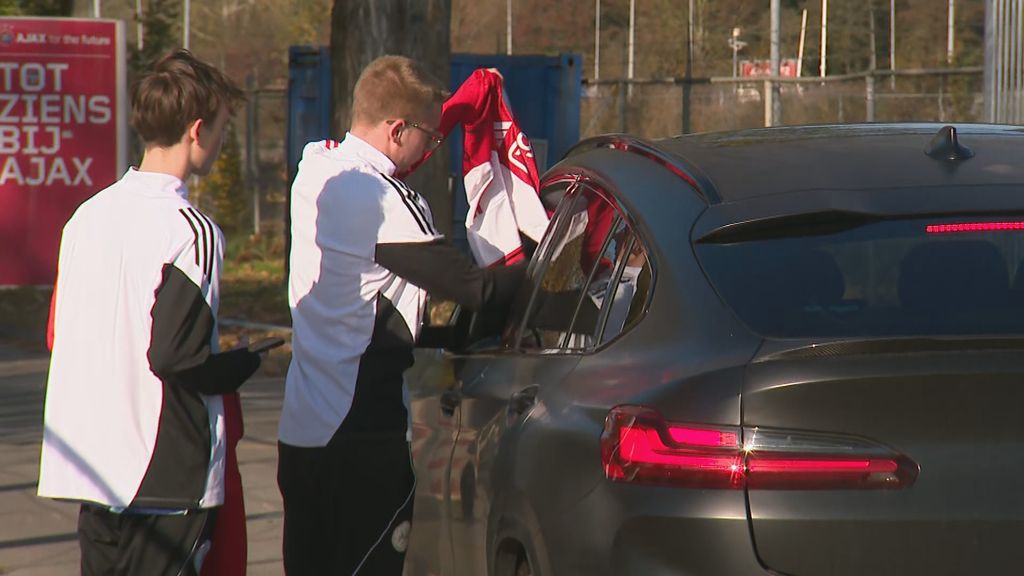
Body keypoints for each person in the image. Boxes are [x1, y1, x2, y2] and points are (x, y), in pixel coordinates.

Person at [279, 55, 524, 575]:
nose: (432, 151)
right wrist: (550, 265)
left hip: (302, 429)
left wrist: (451, 109)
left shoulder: (316, 165)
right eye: (430, 139)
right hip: (362, 433)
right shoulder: (376, 194)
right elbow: (476, 288)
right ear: (396, 130)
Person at [37, 49, 262, 576]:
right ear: (198, 130)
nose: (222, 144)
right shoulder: (192, 230)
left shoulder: (86, 217)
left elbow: (63, 333)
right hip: (165, 475)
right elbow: (175, 356)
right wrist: (237, 367)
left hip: (91, 469)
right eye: (224, 130)